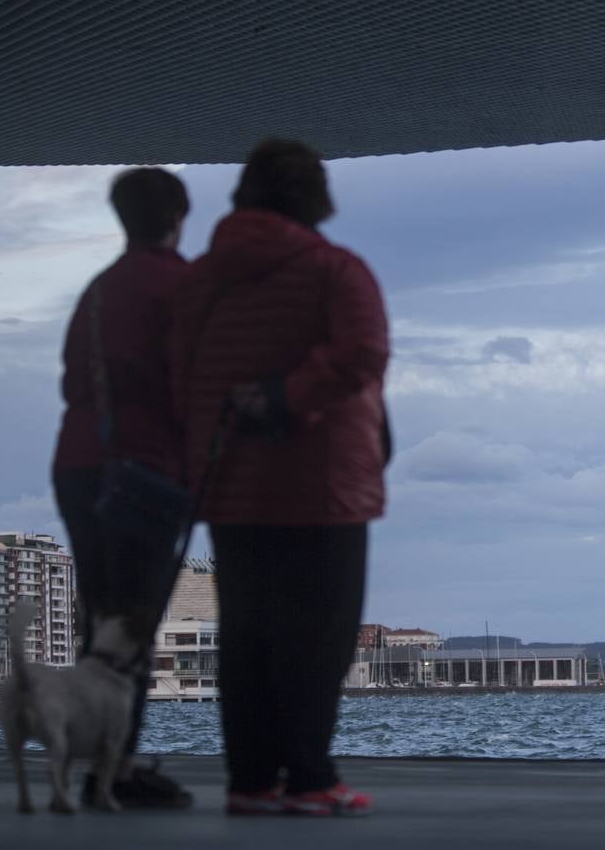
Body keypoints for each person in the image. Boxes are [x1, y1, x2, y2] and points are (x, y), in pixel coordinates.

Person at [171, 138, 389, 817]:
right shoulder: (336, 271)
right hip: (324, 483)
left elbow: (176, 373)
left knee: (248, 635)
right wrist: (287, 399)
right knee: (318, 637)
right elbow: (363, 354)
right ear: (315, 196)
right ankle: (310, 778)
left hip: (230, 480)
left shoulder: (199, 281)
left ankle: (251, 779)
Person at [51, 167, 194, 808]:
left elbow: (71, 378)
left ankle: (94, 762)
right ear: (176, 216)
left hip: (79, 462)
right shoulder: (181, 285)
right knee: (134, 622)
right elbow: (192, 382)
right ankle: (116, 768)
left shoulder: (100, 289)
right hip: (144, 466)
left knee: (100, 620)